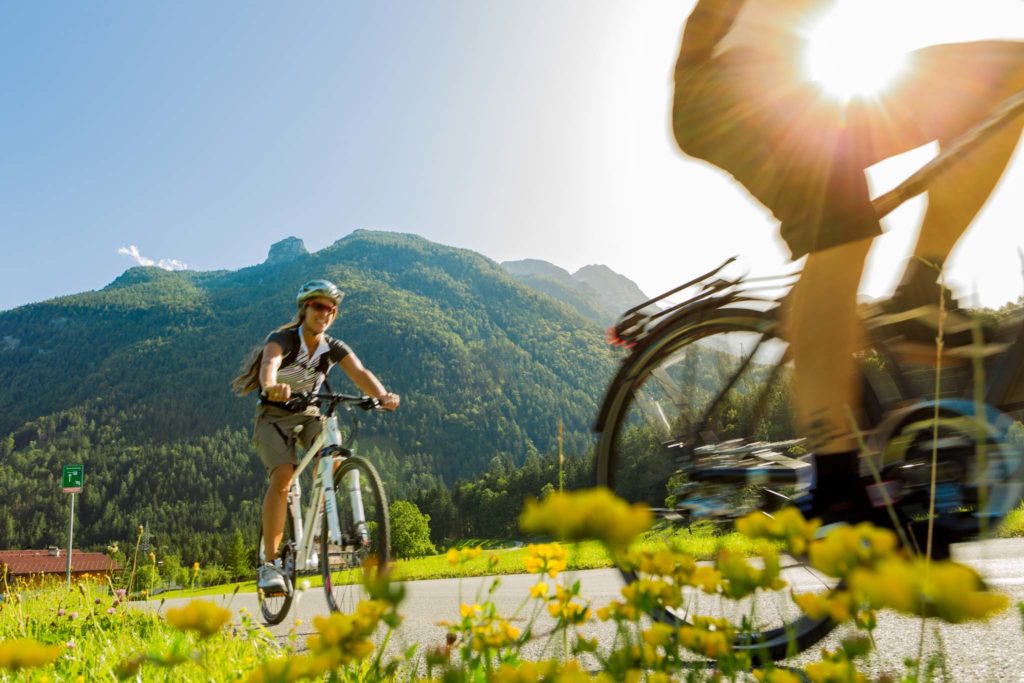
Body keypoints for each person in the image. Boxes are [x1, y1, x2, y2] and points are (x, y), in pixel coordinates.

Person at [671, 0, 1024, 520]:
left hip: (802, 86)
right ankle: (834, 488)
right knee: (843, 227)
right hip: (727, 86)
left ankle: (919, 287)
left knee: (1005, 75)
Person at [232, 279, 399, 592]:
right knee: (282, 477)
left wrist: (382, 395)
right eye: (320, 306)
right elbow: (270, 363)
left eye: (332, 309)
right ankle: (270, 565)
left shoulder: (333, 348)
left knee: (332, 455)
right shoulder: (283, 339)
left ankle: (320, 524)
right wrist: (271, 387)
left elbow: (360, 373)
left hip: (310, 412)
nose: (326, 313)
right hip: (274, 415)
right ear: (305, 309)